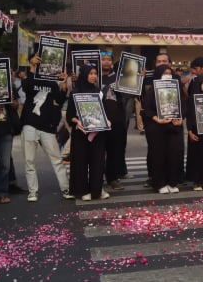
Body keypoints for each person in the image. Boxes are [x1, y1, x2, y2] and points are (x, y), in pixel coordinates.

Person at [20, 53, 73, 202]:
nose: (40, 61)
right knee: (29, 160)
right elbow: (27, 88)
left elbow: (59, 100)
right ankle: (33, 191)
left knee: (56, 159)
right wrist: (31, 67)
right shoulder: (29, 77)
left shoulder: (51, 82)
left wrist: (63, 85)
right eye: (37, 59)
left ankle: (65, 188)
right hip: (30, 123)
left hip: (47, 126)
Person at [66, 64, 110, 201]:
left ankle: (97, 189)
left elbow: (103, 112)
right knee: (81, 161)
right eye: (90, 73)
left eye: (95, 73)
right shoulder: (75, 92)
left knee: (97, 162)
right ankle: (83, 190)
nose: (94, 76)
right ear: (84, 75)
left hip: (97, 134)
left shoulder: (98, 92)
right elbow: (70, 116)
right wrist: (77, 122)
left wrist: (107, 121)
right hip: (81, 134)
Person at [143, 65, 184, 194]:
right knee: (158, 156)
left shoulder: (177, 90)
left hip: (173, 127)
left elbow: (183, 107)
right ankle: (159, 183)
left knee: (174, 155)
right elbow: (147, 110)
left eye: (169, 73)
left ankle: (172, 182)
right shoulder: (151, 91)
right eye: (164, 73)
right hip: (157, 128)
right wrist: (157, 119)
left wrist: (181, 118)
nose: (168, 75)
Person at [100, 53, 130, 191]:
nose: (106, 62)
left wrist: (136, 81)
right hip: (98, 120)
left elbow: (127, 95)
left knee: (114, 151)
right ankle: (97, 177)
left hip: (116, 120)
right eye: (103, 59)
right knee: (98, 151)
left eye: (108, 60)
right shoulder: (94, 77)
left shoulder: (119, 78)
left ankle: (113, 178)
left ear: (112, 62)